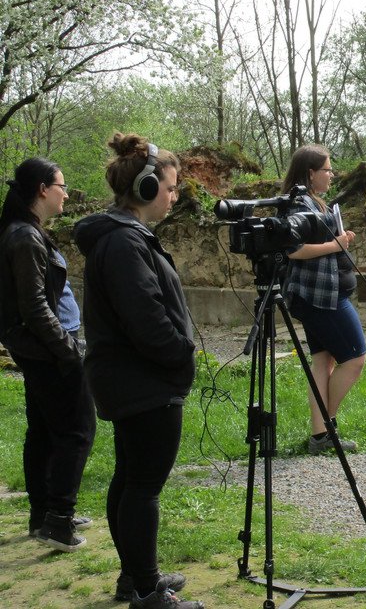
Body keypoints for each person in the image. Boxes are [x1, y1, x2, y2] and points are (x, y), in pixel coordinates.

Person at [73, 134, 204, 609]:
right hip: (144, 382)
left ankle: (136, 578)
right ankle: (148, 593)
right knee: (142, 487)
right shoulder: (125, 243)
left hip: (130, 379)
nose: (174, 195)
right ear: (148, 189)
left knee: (130, 480)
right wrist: (180, 353)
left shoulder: (122, 237)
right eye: (170, 187)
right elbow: (145, 317)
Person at [0, 158, 95, 551]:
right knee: (77, 430)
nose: (66, 193)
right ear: (42, 189)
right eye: (62, 185)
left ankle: (44, 515)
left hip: (41, 349)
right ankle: (58, 519)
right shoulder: (24, 237)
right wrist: (68, 350)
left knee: (43, 430)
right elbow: (35, 307)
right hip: (50, 351)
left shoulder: (26, 231)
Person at [281, 144, 366, 455]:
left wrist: (340, 239)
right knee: (355, 358)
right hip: (321, 298)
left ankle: (320, 436)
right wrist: (337, 244)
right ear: (311, 173)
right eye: (327, 169)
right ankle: (328, 426)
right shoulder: (298, 205)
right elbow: (295, 250)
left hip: (321, 294)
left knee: (323, 361)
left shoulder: (313, 201)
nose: (332, 174)